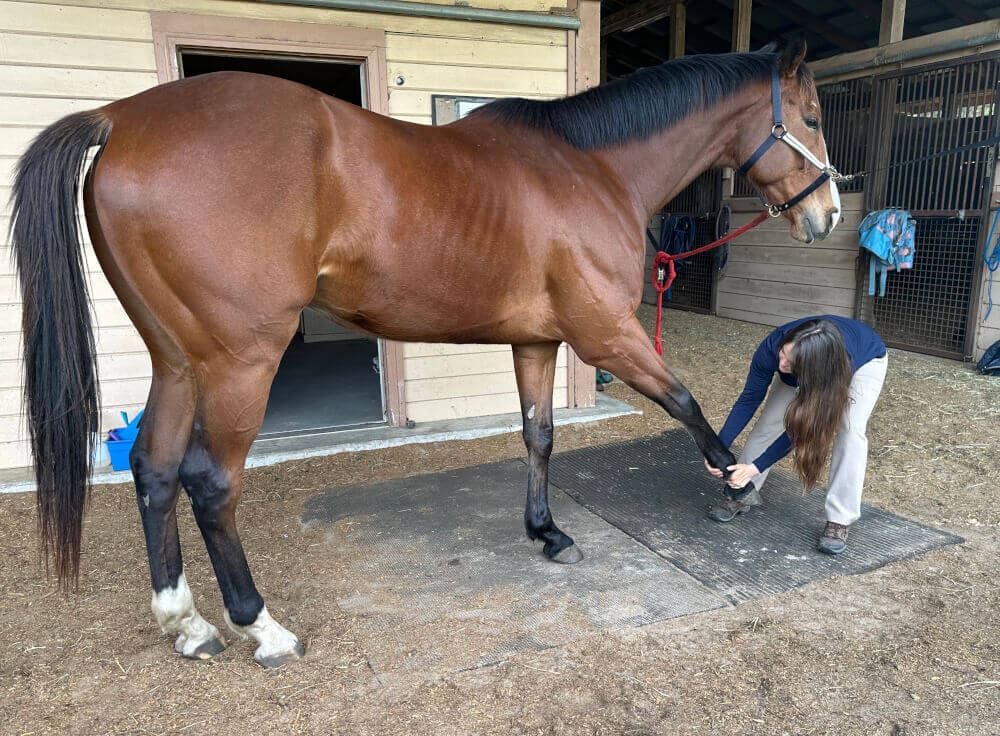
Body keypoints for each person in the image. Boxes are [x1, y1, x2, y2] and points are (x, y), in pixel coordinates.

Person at [704, 316, 888, 555]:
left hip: (865, 361)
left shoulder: (830, 372)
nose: (781, 365)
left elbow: (803, 430)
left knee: (850, 430)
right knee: (770, 422)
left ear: (811, 366)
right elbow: (750, 398)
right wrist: (717, 447)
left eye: (790, 363)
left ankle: (839, 518)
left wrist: (756, 466)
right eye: (783, 355)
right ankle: (742, 491)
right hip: (812, 362)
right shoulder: (774, 349)